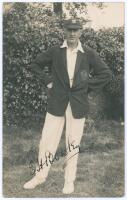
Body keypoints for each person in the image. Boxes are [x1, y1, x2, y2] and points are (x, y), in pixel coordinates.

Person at [23, 19, 112, 194]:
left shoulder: (88, 53)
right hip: (57, 102)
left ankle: (69, 181)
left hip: (78, 105)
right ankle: (39, 177)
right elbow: (35, 65)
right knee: (47, 141)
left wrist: (86, 86)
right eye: (69, 30)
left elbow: (106, 73)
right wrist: (48, 81)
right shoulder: (56, 52)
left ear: (81, 32)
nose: (72, 33)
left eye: (76, 30)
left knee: (73, 143)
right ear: (64, 31)